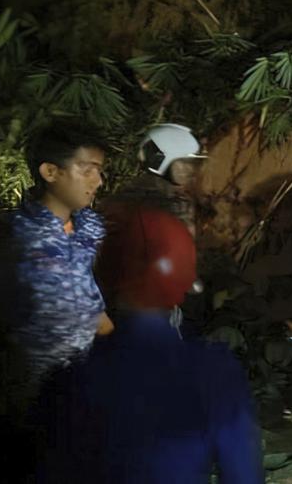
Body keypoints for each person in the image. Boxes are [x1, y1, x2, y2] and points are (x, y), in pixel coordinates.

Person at [35, 207, 263, 483]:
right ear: (184, 279)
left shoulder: (65, 381)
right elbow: (244, 476)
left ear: (106, 276)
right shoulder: (214, 373)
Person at [0, 121, 113, 482]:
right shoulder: (14, 237)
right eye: (88, 169)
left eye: (100, 171)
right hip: (27, 405)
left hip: (80, 394)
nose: (98, 180)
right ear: (50, 171)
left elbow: (88, 299)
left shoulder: (89, 228)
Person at [102, 123, 207, 235]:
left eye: (194, 164)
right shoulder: (149, 205)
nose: (191, 170)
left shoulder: (171, 198)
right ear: (159, 160)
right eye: (185, 162)